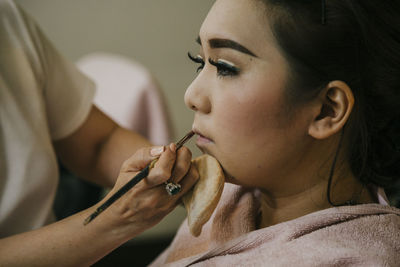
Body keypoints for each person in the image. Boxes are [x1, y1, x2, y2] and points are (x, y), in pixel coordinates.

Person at [150, 0, 400, 266]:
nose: (192, 96)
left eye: (225, 67)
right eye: (200, 62)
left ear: (327, 110)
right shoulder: (222, 200)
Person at [0, 0, 198, 265]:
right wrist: (114, 221)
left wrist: (177, 176)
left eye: (227, 69)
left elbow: (100, 144)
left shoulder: (8, 18)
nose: (193, 97)